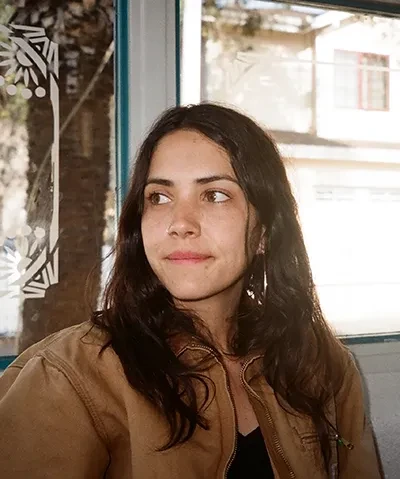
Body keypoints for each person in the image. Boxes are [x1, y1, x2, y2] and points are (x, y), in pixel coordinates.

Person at [0, 103, 382, 478]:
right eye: (159, 197)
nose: (180, 224)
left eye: (215, 194)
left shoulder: (320, 362)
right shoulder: (67, 377)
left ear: (264, 231)